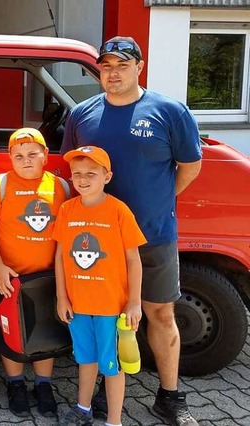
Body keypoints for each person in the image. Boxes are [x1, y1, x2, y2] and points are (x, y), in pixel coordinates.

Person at [62, 36, 202, 426]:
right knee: (104, 316)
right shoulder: (82, 114)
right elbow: (72, 169)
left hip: (153, 235)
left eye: (121, 65)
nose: (113, 72)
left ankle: (170, 397)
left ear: (139, 67)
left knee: (159, 313)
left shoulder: (169, 111)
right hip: (96, 244)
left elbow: (190, 166)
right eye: (106, 66)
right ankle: (108, 393)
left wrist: (159, 200)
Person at [52, 146, 146, 426]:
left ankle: (114, 421)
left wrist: (134, 301)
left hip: (110, 306)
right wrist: (61, 297)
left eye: (91, 174)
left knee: (111, 365)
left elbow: (134, 259)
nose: (82, 179)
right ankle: (83, 408)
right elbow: (60, 256)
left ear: (107, 177)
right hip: (78, 305)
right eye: (77, 174)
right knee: (86, 358)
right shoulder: (67, 209)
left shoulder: (118, 210)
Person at [0, 127, 67, 418]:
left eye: (32, 154)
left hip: (47, 278)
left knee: (46, 331)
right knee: (11, 331)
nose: (26, 160)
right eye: (18, 156)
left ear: (45, 155)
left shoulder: (61, 188)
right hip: (10, 279)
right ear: (10, 159)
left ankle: (43, 385)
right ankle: (15, 383)